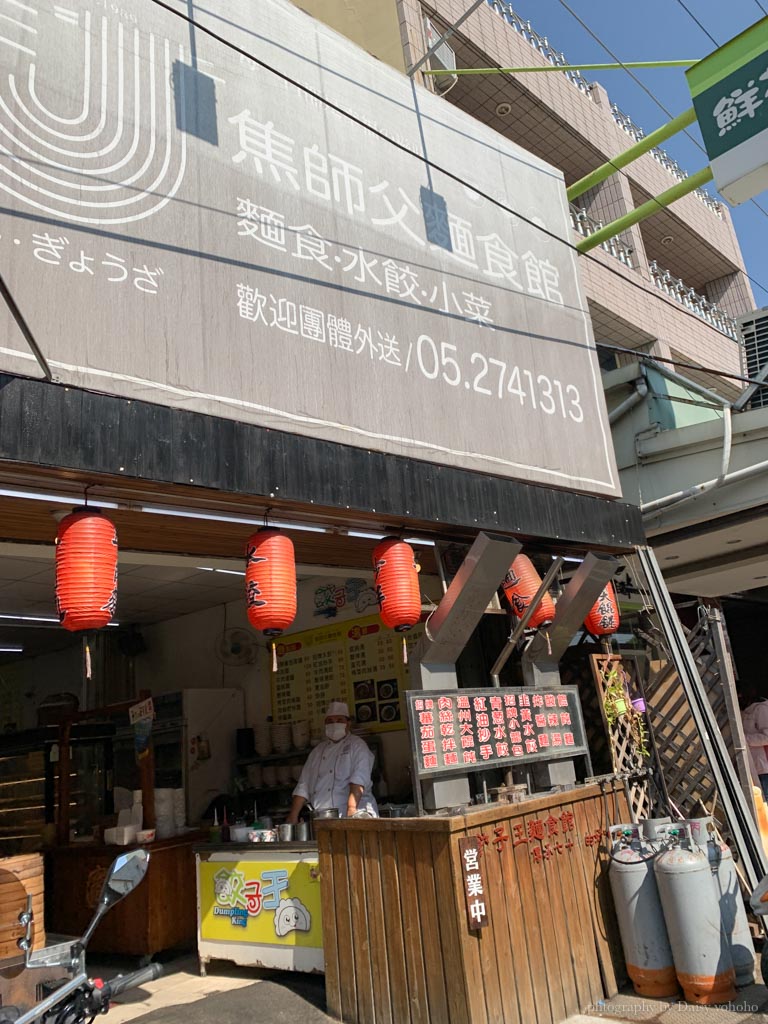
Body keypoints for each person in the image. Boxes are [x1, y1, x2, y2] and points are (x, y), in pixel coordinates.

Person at [286, 701, 378, 821]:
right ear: (325, 724)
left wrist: (351, 810)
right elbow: (303, 785)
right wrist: (293, 816)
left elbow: (358, 780)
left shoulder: (357, 746)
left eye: (339, 720)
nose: (334, 724)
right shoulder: (317, 752)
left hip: (356, 814)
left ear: (348, 724)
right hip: (322, 817)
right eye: (330, 721)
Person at [741, 687, 768, 801]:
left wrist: (743, 739)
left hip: (764, 764)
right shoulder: (745, 710)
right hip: (754, 763)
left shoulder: (762, 709)